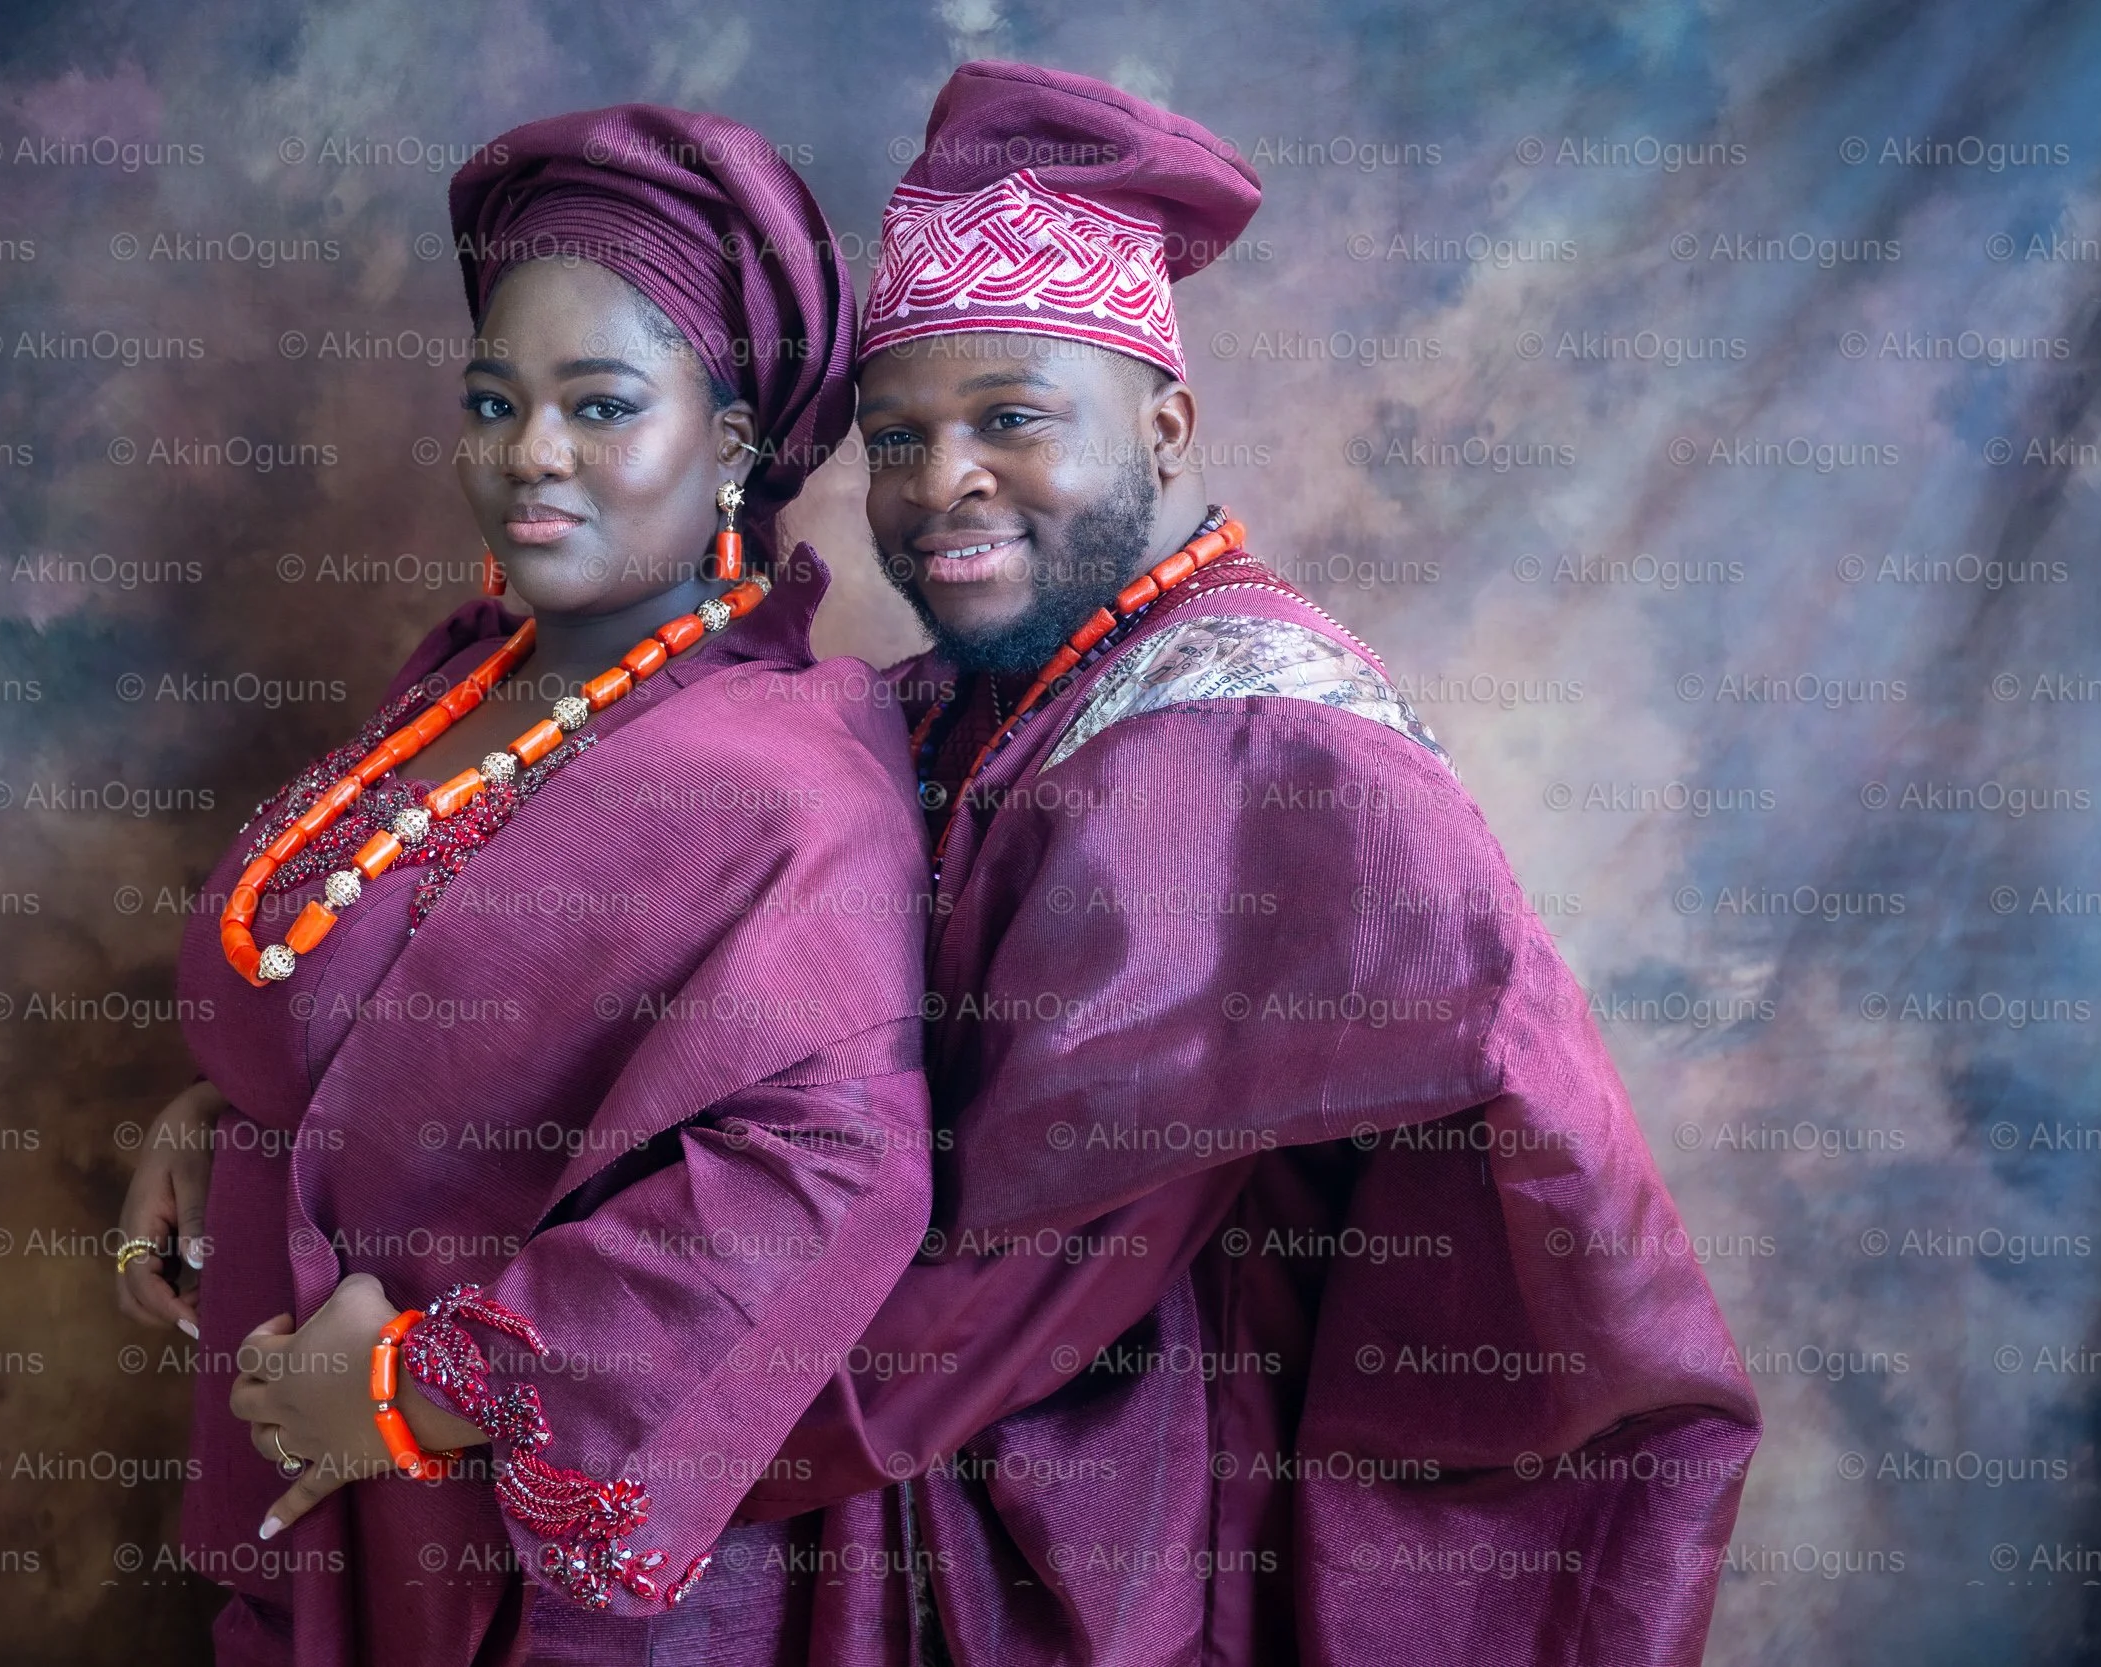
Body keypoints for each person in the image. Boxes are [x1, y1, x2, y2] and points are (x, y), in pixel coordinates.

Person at [741, 62, 1762, 1667]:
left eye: (1011, 419)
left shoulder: (1243, 746)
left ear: (1165, 427)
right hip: (973, 1480)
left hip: (1118, 1534)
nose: (939, 485)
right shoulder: (983, 691)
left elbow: (1004, 1283)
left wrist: (552, 1410)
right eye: (895, 439)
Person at [113, 104, 935, 1666]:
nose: (529, 454)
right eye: (493, 402)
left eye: (600, 405)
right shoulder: (473, 672)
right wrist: (223, 1116)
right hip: (303, 1501)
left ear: (735, 445)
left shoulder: (780, 779)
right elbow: (373, 989)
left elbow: (829, 1175)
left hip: (488, 1567)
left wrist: (411, 1390)